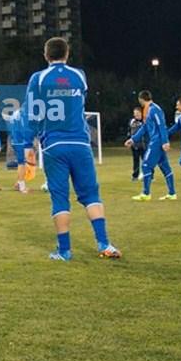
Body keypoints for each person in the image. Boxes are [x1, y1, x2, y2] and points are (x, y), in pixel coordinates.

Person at [26, 37, 120, 260]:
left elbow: (32, 113)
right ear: (67, 54)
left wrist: (30, 144)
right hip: (80, 143)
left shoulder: (38, 79)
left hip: (54, 145)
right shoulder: (79, 76)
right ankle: (104, 244)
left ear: (46, 55)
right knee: (91, 195)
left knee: (60, 199)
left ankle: (64, 251)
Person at [125, 90, 176, 201]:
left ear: (140, 99)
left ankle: (146, 193)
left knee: (146, 165)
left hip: (156, 142)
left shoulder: (154, 109)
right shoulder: (147, 110)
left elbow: (161, 126)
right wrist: (133, 139)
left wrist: (165, 141)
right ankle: (172, 193)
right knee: (165, 167)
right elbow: (144, 127)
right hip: (156, 141)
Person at [7, 109, 35, 193]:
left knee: (29, 156)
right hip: (21, 142)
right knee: (22, 163)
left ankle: (19, 183)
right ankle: (22, 188)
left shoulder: (15, 113)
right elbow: (24, 128)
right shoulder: (24, 115)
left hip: (16, 140)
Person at [127, 107, 146, 181]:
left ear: (140, 113)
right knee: (135, 161)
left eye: (137, 113)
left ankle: (149, 175)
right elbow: (129, 131)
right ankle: (135, 176)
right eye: (134, 113)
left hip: (143, 145)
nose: (135, 115)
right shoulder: (132, 121)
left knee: (146, 161)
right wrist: (129, 141)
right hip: (134, 145)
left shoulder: (144, 121)